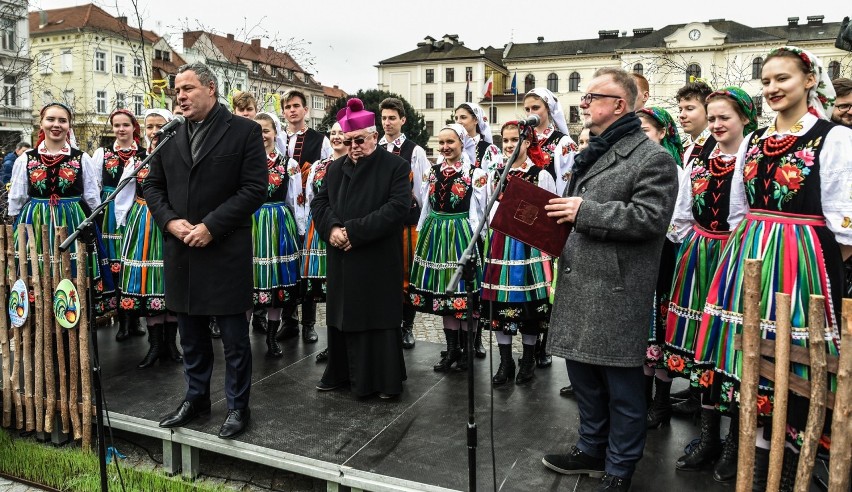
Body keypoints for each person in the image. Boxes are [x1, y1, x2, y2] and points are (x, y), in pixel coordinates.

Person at [694, 47, 852, 490]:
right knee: (752, 358)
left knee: (793, 361)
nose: (772, 89)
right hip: (750, 261)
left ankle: (789, 465)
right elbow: (740, 210)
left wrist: (808, 270)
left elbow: (845, 222)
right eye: (765, 82)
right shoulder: (754, 140)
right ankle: (756, 457)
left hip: (803, 264)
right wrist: (742, 261)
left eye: (782, 78)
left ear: (808, 80)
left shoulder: (834, 138)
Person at [541, 67, 678, 492]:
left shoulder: (653, 157)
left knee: (622, 388)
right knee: (583, 379)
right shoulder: (596, 150)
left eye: (590, 97)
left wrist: (584, 212)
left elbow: (651, 219)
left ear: (619, 105)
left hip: (616, 288)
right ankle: (590, 448)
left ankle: (620, 468)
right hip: (582, 279)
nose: (582, 105)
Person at [147, 62, 267, 439]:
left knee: (233, 340)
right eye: (176, 91)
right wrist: (169, 221)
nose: (179, 96)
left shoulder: (244, 131)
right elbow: (152, 187)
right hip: (182, 250)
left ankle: (236, 407)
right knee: (192, 337)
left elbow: (253, 189)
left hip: (224, 249)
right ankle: (196, 398)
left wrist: (211, 226)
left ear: (211, 88)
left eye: (187, 88)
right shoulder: (170, 135)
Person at [662, 88, 756, 481]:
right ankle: (707, 437)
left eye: (724, 119)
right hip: (699, 257)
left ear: (744, 120)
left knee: (731, 353)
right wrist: (689, 249)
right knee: (703, 350)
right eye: (712, 118)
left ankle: (734, 443)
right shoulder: (698, 160)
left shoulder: (753, 161)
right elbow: (682, 213)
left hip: (735, 259)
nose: (717, 125)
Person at [311, 97, 410, 398]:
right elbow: (320, 202)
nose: (353, 146)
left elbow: (397, 208)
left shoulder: (395, 165)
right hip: (342, 255)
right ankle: (341, 373)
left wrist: (354, 231)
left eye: (360, 140)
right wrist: (332, 229)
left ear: (375, 137)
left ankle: (381, 381)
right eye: (348, 141)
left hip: (376, 256)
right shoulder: (336, 167)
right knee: (342, 316)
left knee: (376, 318)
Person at [8, 103, 115, 314]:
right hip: (36, 221)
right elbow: (17, 197)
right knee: (37, 269)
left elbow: (92, 197)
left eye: (62, 120)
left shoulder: (81, 157)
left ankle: (72, 319)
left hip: (72, 220)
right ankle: (40, 317)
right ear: (41, 123)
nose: (56, 125)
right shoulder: (26, 159)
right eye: (51, 119)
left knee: (73, 270)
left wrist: (93, 223)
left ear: (69, 125)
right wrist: (16, 224)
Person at [408, 123, 488, 372]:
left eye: (450, 142)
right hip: (436, 232)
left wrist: (479, 238)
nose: (445, 148)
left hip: (461, 233)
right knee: (445, 294)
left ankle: (467, 349)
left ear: (462, 143)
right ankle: (452, 349)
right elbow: (426, 205)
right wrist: (424, 231)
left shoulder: (474, 173)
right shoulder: (432, 172)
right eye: (441, 143)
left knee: (464, 293)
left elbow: (482, 209)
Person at [482, 121, 556, 385]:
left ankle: (527, 361)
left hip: (529, 246)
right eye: (506, 141)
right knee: (501, 303)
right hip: (501, 243)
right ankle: (505, 362)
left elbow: (549, 214)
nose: (510, 145)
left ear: (527, 143)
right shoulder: (497, 174)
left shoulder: (541, 174)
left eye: (516, 140)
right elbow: (488, 209)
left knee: (529, 306)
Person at [115, 108, 183, 368]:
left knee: (170, 280)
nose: (155, 131)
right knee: (150, 284)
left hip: (172, 222)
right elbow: (124, 194)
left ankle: (171, 344)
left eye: (160, 126)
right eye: (150, 126)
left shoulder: (180, 157)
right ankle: (155, 345)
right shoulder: (138, 160)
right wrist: (124, 223)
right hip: (144, 221)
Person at [635, 106, 684, 432]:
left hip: (665, 256)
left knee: (663, 329)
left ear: (663, 132)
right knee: (642, 329)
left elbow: (677, 222)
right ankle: (643, 397)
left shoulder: (676, 170)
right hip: (640, 258)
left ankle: (662, 401)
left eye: (647, 131)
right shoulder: (635, 167)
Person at [522, 87, 577, 371]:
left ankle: (544, 344)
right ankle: (529, 344)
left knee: (548, 282)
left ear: (549, 110)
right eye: (527, 109)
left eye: (536, 108)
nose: (531, 114)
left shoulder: (562, 142)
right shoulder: (524, 139)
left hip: (550, 215)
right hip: (523, 216)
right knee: (528, 280)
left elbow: (566, 184)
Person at [668, 80, 715, 414]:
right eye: (681, 108)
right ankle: (697, 388)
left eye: (690, 108)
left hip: (713, 239)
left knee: (706, 315)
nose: (682, 114)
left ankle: (705, 393)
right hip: (692, 237)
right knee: (694, 313)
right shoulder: (692, 148)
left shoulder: (717, 145)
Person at [278, 89, 332, 344]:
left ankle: (309, 323)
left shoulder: (320, 140)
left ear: (306, 110)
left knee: (307, 267)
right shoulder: (277, 138)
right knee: (287, 265)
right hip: (282, 211)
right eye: (288, 106)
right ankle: (288, 320)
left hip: (309, 211)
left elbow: (329, 170)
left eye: (297, 105)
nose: (292, 110)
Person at [379, 97, 431, 351]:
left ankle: (406, 326)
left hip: (405, 223)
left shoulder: (415, 151)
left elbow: (422, 192)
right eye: (384, 118)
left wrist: (420, 224)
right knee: (380, 274)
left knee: (405, 275)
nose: (387, 123)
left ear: (402, 120)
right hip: (378, 223)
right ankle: (383, 324)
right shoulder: (373, 147)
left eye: (392, 118)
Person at [91, 109, 147, 341]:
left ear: (134, 127)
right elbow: (94, 186)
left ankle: (134, 318)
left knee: (131, 264)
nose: (121, 129)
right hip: (110, 213)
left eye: (126, 125)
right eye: (117, 125)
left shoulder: (145, 153)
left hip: (136, 210)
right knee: (115, 266)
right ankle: (123, 321)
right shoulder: (101, 154)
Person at [251, 112, 302, 358]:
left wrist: (299, 229)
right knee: (248, 281)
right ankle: (242, 340)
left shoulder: (288, 164)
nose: (262, 135)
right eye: (257, 130)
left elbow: (296, 200)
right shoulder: (244, 161)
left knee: (276, 282)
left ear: (275, 132)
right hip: (250, 224)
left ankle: (271, 338)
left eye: (266, 130)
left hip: (278, 222)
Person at [305, 122, 347, 363]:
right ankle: (331, 344)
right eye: (332, 133)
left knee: (340, 289)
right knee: (325, 291)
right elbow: (311, 197)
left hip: (341, 226)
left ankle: (342, 345)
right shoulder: (319, 166)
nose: (336, 137)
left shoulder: (353, 163)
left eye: (342, 133)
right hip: (319, 226)